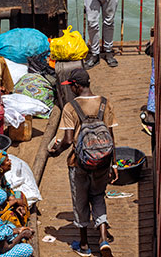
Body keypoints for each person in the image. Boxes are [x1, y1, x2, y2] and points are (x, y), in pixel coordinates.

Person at [47, 68, 118, 257]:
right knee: (98, 196)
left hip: (79, 163)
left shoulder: (71, 107)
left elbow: (68, 140)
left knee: (80, 200)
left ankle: (85, 245)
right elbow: (111, 136)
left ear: (77, 86)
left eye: (71, 86)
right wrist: (115, 164)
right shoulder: (105, 103)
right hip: (103, 161)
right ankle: (103, 238)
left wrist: (56, 152)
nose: (71, 90)